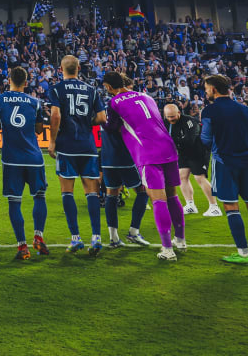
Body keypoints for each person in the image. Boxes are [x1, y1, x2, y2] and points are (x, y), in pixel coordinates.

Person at [99, 73, 184, 261]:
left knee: (158, 200)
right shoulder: (146, 96)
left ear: (108, 87)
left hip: (148, 152)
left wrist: (99, 120)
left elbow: (111, 127)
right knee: (173, 195)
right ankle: (181, 240)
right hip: (168, 147)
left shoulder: (114, 102)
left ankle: (167, 249)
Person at [200, 74, 248, 266]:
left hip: (224, 162)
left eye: (207, 88)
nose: (206, 91)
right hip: (247, 161)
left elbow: (206, 140)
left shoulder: (209, 111)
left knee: (231, 207)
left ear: (214, 89)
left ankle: (243, 253)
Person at [47, 55, 106, 256]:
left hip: (66, 146)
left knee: (67, 192)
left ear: (60, 69)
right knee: (92, 192)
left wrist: (53, 141)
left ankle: (76, 239)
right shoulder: (91, 89)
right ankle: (96, 237)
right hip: (88, 146)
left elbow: (56, 115)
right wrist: (86, 123)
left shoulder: (56, 89)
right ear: (79, 68)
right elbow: (101, 117)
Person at [0, 66, 48, 260]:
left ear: (9, 79)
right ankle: (38, 237)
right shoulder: (35, 102)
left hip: (12, 159)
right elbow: (40, 130)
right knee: (39, 197)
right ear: (26, 81)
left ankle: (22, 246)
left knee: (15, 202)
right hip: (34, 157)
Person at [98, 91, 152, 250]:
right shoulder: (123, 113)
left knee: (111, 195)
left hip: (107, 160)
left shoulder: (102, 115)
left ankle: (113, 238)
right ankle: (134, 231)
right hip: (126, 159)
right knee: (143, 191)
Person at [163, 103, 219, 216]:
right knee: (182, 177)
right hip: (183, 152)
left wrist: (172, 142)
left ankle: (214, 207)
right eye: (168, 117)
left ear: (179, 112)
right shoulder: (166, 122)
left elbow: (190, 140)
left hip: (198, 152)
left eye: (172, 116)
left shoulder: (189, 121)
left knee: (199, 178)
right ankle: (190, 205)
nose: (170, 119)